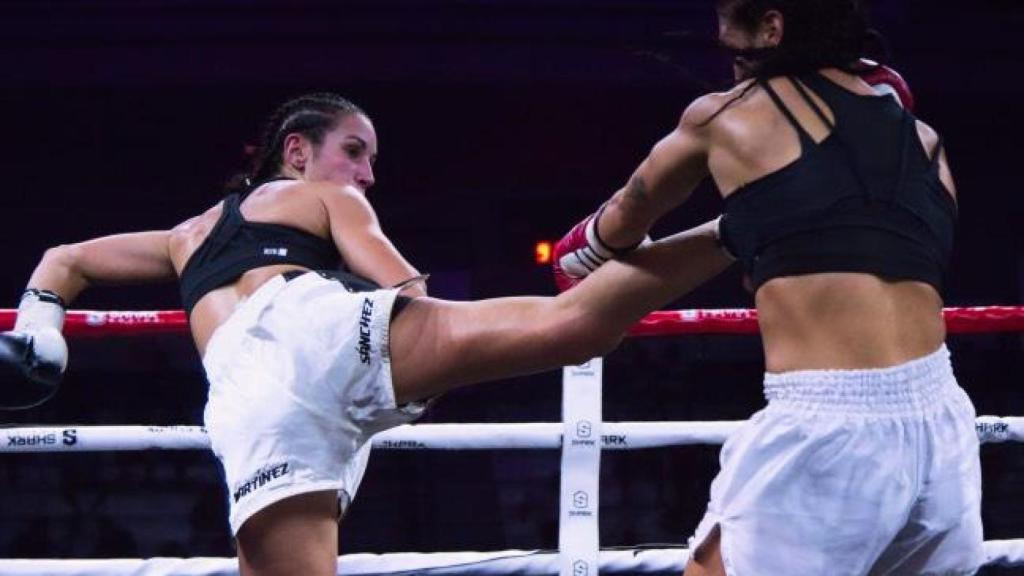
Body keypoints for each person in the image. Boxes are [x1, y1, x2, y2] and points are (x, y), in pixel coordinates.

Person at [0, 93, 732, 576]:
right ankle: (736, 227)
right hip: (313, 332)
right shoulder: (323, 194)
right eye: (356, 149)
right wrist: (432, 364)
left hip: (245, 404)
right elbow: (403, 284)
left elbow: (63, 261)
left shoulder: (180, 238)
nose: (367, 173)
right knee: (571, 324)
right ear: (295, 151)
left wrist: (41, 331)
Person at [552, 1, 982, 575]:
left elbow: (615, 229)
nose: (719, 38)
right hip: (944, 429)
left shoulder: (724, 117)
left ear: (771, 28)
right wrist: (766, 219)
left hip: (827, 427)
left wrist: (582, 251)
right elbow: (888, 242)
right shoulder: (925, 142)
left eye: (728, 19)